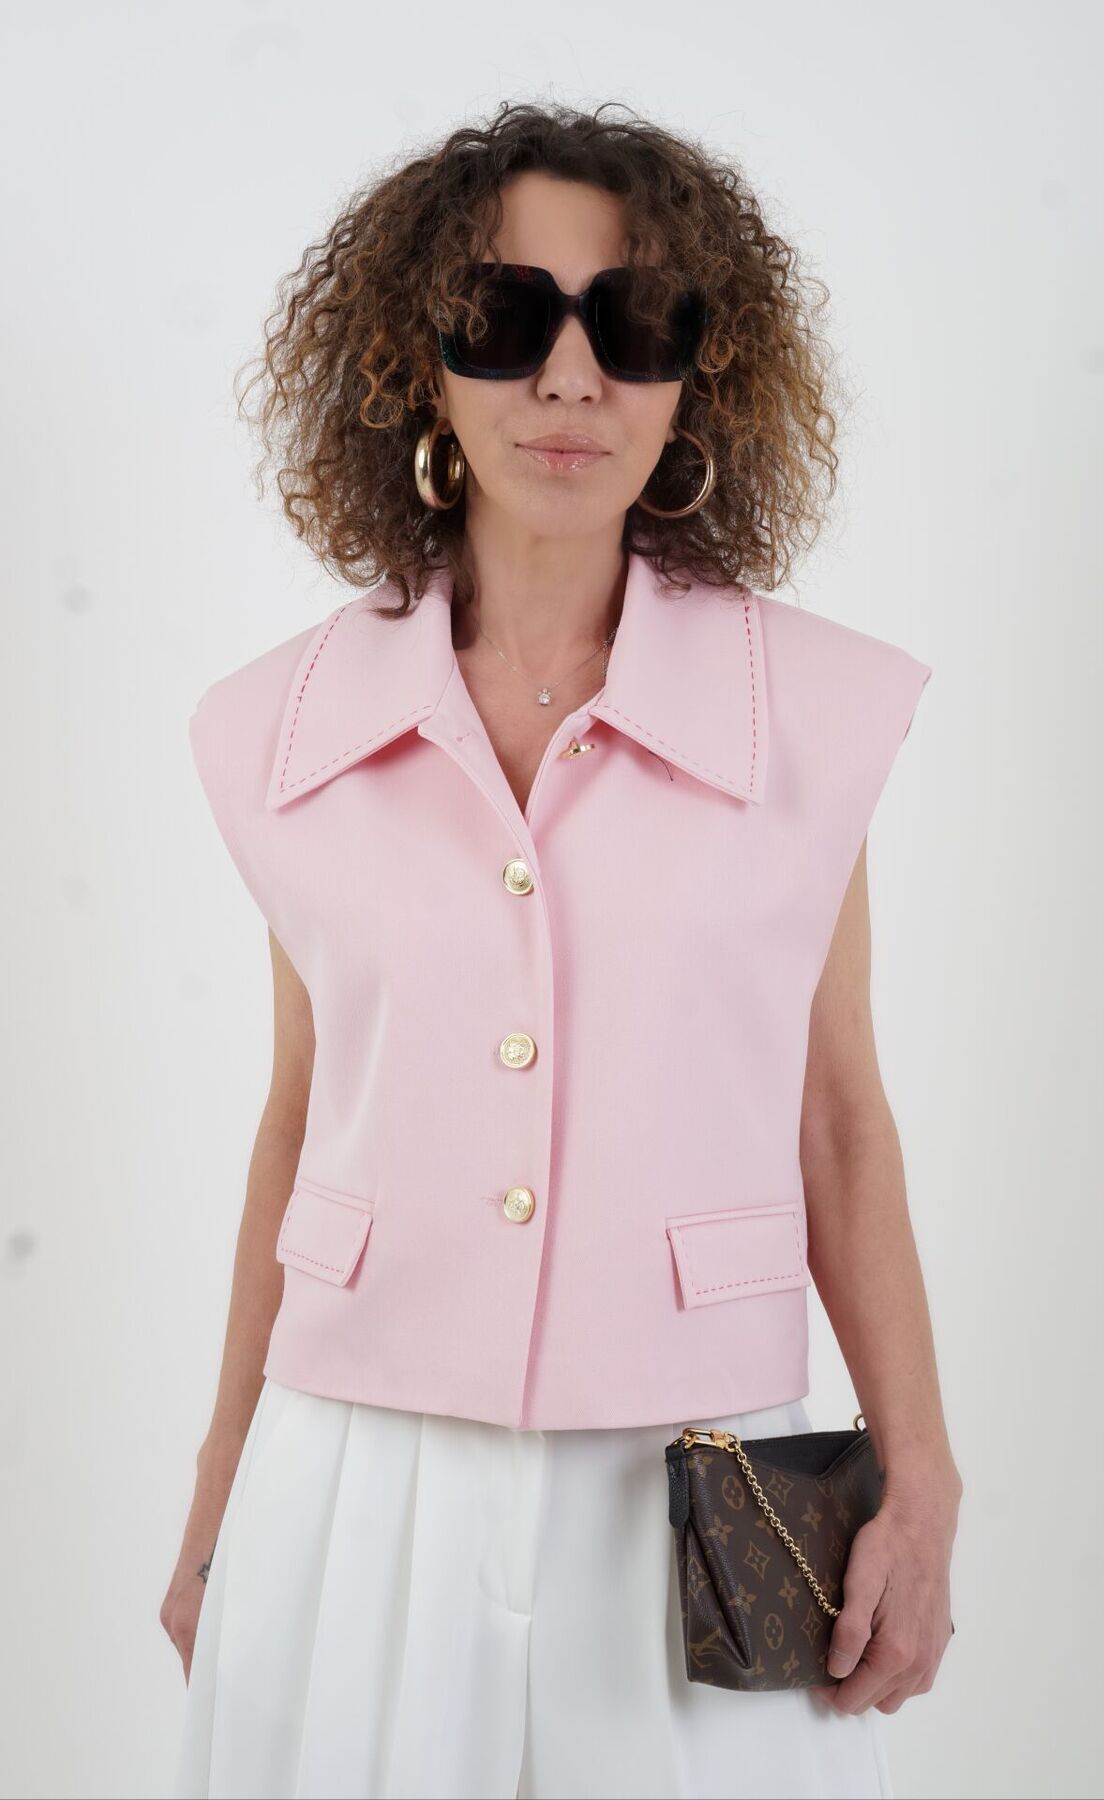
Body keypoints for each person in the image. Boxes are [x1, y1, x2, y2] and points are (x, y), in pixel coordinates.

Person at [162, 99, 961, 1800]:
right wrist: (221, 1492)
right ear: (418, 362)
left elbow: (836, 1117)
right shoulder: (277, 731)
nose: (572, 376)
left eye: (635, 321)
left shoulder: (814, 716)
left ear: (697, 376)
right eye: (506, 317)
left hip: (709, 1486)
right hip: (356, 1489)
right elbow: (301, 1124)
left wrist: (924, 1480)